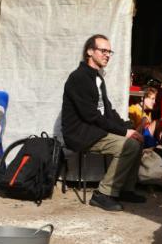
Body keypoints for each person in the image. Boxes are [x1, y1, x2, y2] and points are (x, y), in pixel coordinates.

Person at [61, 34, 146, 212]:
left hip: (94, 129)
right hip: (81, 133)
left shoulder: (97, 78)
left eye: (109, 51)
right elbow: (91, 116)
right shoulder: (79, 78)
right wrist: (124, 133)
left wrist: (127, 126)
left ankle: (125, 189)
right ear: (90, 52)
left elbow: (107, 110)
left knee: (137, 139)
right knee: (128, 145)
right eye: (103, 50)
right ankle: (102, 194)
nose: (107, 55)